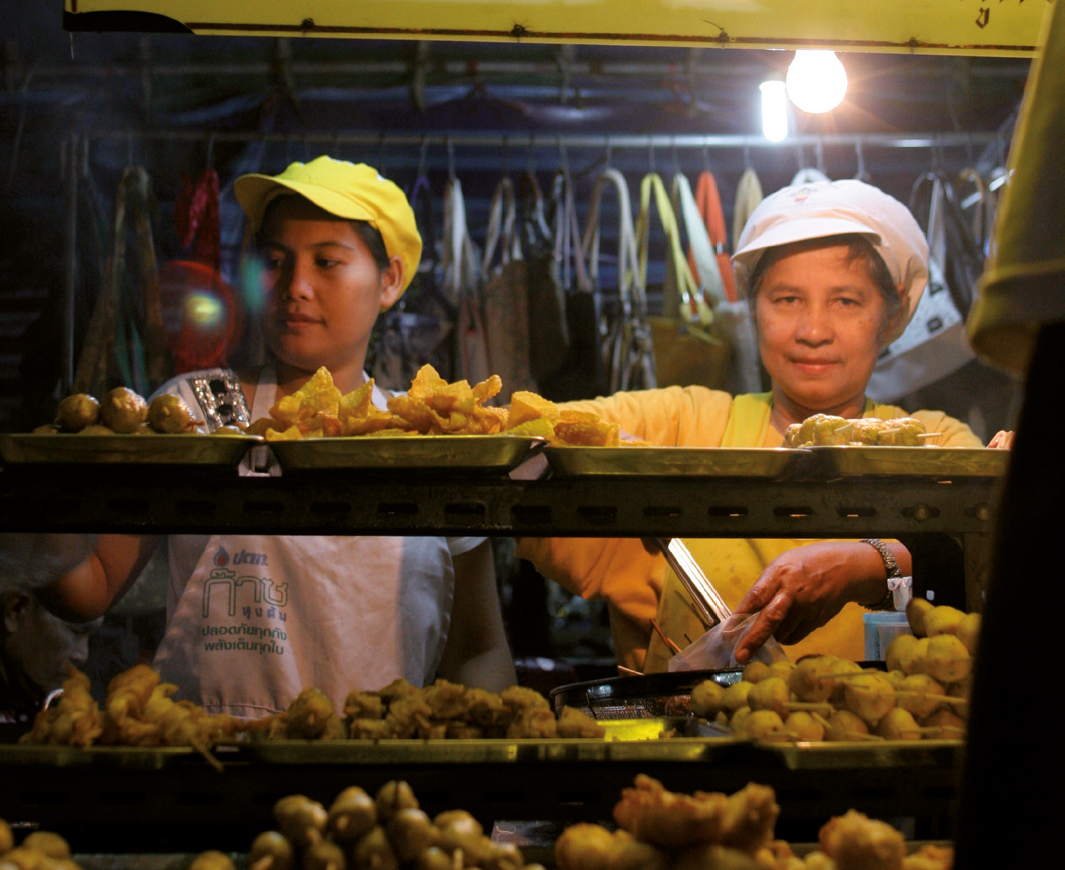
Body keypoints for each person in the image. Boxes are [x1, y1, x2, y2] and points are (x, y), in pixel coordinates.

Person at [41, 157, 515, 717]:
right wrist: (43, 489)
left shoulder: (427, 438)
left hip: (376, 774)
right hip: (208, 767)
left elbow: (479, 649)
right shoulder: (199, 411)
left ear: (388, 280)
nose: (297, 287)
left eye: (328, 262)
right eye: (275, 262)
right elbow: (87, 587)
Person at [518, 179, 983, 673]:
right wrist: (610, 452)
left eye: (846, 301)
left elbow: (994, 551)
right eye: (787, 300)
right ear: (753, 309)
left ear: (890, 317)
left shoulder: (934, 441)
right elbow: (518, 427)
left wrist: (868, 566)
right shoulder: (685, 422)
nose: (813, 331)